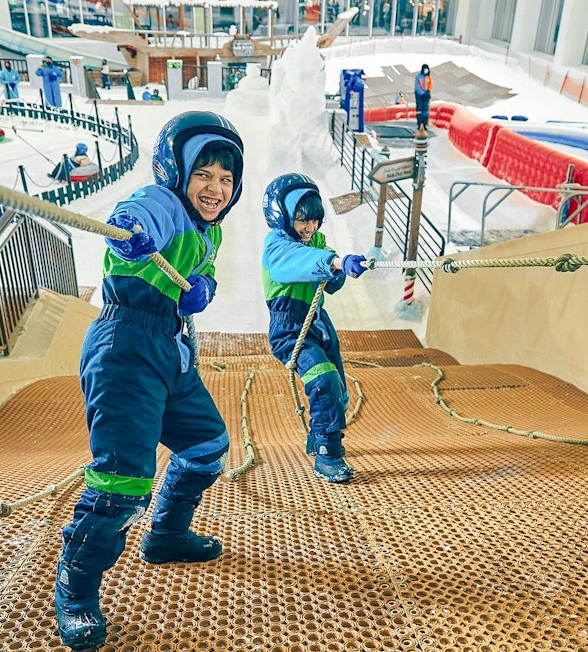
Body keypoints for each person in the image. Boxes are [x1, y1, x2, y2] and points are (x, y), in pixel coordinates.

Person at [53, 111, 244, 650]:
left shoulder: (211, 228)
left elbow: (201, 268)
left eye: (226, 179)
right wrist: (131, 236)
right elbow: (134, 218)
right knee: (122, 482)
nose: (215, 188)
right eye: (203, 173)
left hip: (170, 348)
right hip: (126, 349)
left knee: (207, 446)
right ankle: (76, 588)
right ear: (177, 170)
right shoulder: (162, 203)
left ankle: (165, 535)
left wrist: (201, 287)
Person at [260, 173, 368, 484]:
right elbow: (294, 262)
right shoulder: (276, 244)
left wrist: (340, 270)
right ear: (282, 216)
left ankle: (320, 431)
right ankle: (327, 452)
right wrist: (332, 262)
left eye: (315, 221)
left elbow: (327, 280)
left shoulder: (316, 241)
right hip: (290, 327)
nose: (310, 228)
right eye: (302, 220)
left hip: (318, 323)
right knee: (324, 381)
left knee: (339, 391)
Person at [414, 63, 432, 130]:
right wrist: (422, 93)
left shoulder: (429, 77)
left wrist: (428, 92)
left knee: (425, 110)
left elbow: (430, 85)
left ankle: (424, 124)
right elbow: (417, 87)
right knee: (419, 110)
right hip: (419, 95)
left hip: (426, 95)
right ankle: (419, 124)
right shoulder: (418, 77)